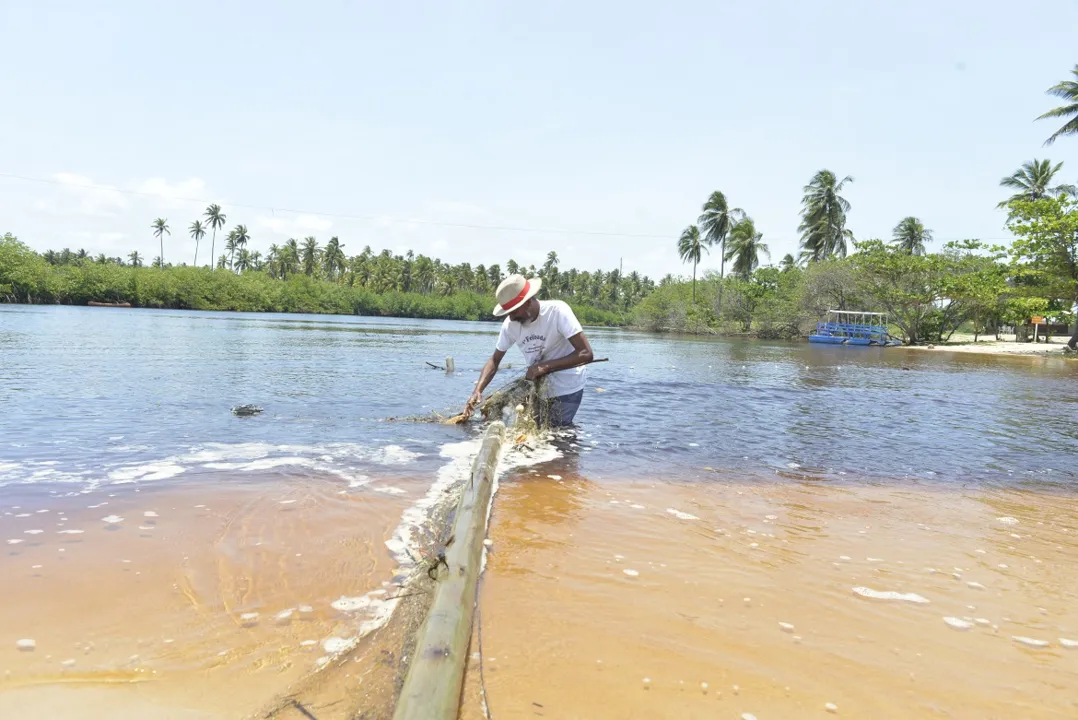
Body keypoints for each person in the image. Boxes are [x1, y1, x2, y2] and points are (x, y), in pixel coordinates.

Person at [462, 274, 594, 426]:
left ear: (528, 301)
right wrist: (477, 390)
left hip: (568, 387)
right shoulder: (510, 325)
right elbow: (495, 360)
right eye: (508, 313)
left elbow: (586, 353)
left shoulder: (557, 312)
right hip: (536, 388)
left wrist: (545, 366)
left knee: (558, 437)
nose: (511, 318)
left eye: (514, 311)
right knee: (534, 434)